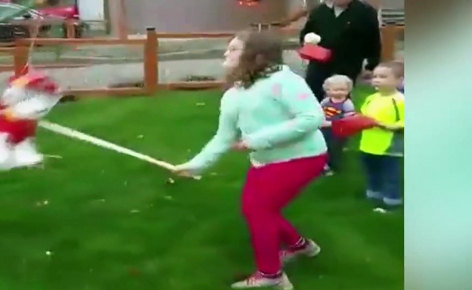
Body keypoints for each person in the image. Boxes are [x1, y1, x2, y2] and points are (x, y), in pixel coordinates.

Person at [173, 30, 327, 289]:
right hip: (265, 160)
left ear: (256, 55)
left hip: (303, 157)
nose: (225, 53)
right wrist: (197, 164)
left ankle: (271, 275)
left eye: (233, 49)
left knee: (258, 210)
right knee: (257, 209)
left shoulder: (284, 80)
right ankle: (300, 247)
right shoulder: (234, 93)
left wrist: (257, 140)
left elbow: (313, 118)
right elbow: (223, 137)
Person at [279, 0, 382, 102]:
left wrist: (372, 64)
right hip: (319, 63)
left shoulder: (365, 12)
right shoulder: (320, 11)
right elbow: (307, 32)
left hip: (348, 63)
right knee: (312, 95)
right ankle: (313, 119)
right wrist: (306, 43)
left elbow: (373, 39)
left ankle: (339, 119)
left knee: (340, 98)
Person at [359, 61, 405, 212]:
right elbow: (364, 114)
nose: (377, 80)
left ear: (399, 80)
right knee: (372, 170)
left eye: (383, 77)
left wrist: (389, 125)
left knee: (390, 174)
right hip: (369, 142)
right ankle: (374, 195)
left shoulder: (400, 100)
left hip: (389, 145)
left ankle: (392, 202)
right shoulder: (371, 98)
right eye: (375, 76)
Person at [319, 74, 356, 175]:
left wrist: (331, 123)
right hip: (324, 127)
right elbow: (320, 111)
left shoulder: (347, 104)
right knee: (323, 145)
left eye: (343, 90)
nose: (339, 92)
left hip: (338, 129)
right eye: (336, 90)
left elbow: (348, 119)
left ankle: (333, 166)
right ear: (328, 91)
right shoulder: (326, 101)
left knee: (334, 148)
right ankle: (324, 163)